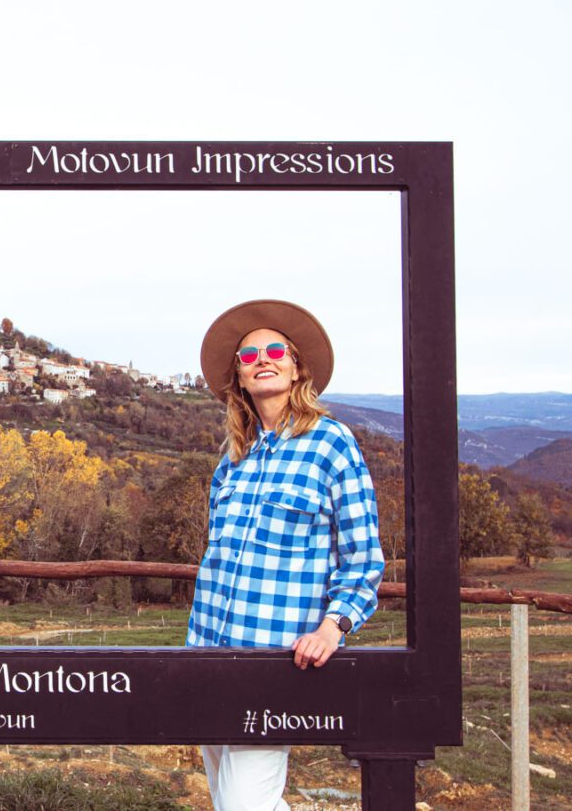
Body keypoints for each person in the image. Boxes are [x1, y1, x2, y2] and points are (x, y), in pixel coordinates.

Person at [186, 299, 384, 811]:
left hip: (272, 663)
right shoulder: (234, 458)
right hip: (208, 656)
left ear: (297, 366)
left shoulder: (331, 444)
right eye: (249, 355)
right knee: (232, 801)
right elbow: (216, 555)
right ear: (239, 377)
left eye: (275, 349)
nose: (262, 358)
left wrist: (333, 627)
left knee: (243, 806)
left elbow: (362, 557)